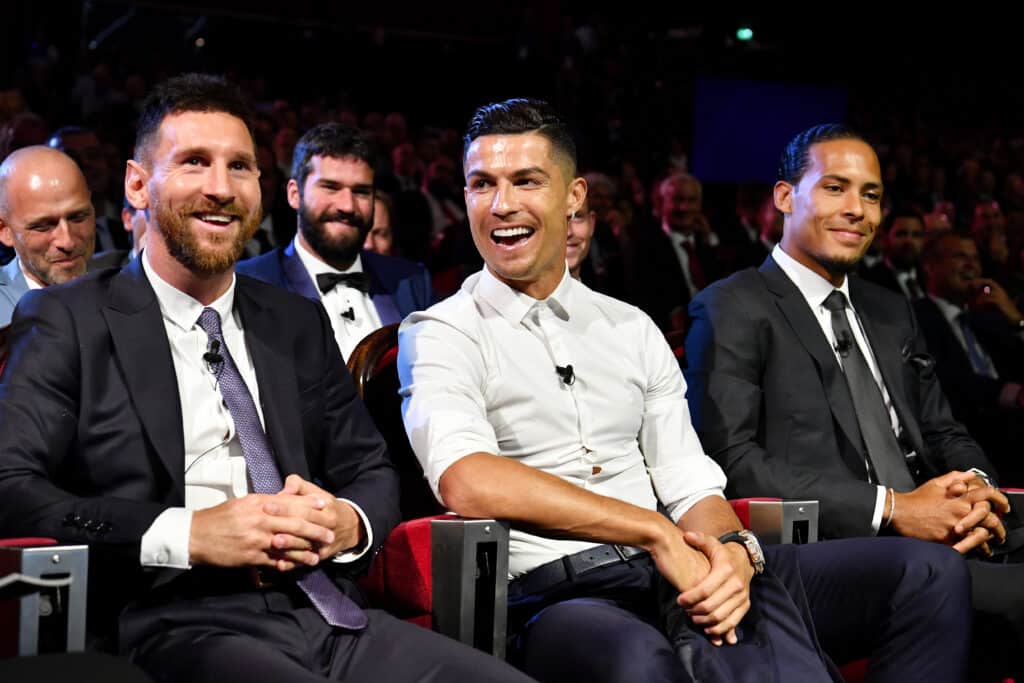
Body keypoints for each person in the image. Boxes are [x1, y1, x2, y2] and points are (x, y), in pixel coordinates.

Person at [399, 99, 972, 683]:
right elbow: (468, 478)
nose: (502, 206)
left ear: (574, 198)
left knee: (927, 573)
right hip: (564, 593)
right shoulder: (442, 331)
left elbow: (686, 476)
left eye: (526, 181)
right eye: (481, 184)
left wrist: (731, 552)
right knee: (646, 659)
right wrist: (650, 531)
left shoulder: (630, 326)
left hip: (681, 566)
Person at [0, 73, 532, 683]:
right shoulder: (68, 319)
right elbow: (12, 486)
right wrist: (189, 533)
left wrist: (347, 523)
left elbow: (370, 467)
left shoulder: (293, 320)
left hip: (330, 613)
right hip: (172, 620)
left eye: (241, 167)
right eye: (195, 162)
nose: (221, 188)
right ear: (138, 184)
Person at [684, 122, 1024, 680]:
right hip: (830, 544)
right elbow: (732, 460)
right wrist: (895, 508)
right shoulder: (732, 307)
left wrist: (975, 492)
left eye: (870, 195)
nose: (857, 210)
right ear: (784, 197)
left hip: (938, 525)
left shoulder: (891, 310)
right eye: (835, 188)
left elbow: (943, 430)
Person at [237, 123, 434, 360]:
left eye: (361, 191)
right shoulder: (250, 283)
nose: (347, 206)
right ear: (294, 194)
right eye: (330, 188)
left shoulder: (410, 280)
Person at [0, 145, 96, 324]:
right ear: (5, 230)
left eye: (78, 217)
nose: (67, 242)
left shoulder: (124, 295)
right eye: (43, 226)